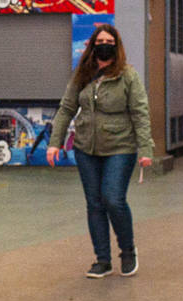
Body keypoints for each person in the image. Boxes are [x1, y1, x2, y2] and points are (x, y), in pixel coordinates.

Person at [46, 25, 154, 278]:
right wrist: (55, 142)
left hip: (120, 147)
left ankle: (127, 250)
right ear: (93, 45)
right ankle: (102, 259)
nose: (104, 44)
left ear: (117, 46)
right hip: (86, 148)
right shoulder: (82, 74)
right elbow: (66, 109)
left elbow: (140, 112)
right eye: (100, 40)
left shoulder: (128, 75)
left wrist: (145, 148)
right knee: (94, 203)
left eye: (109, 40)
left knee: (113, 199)